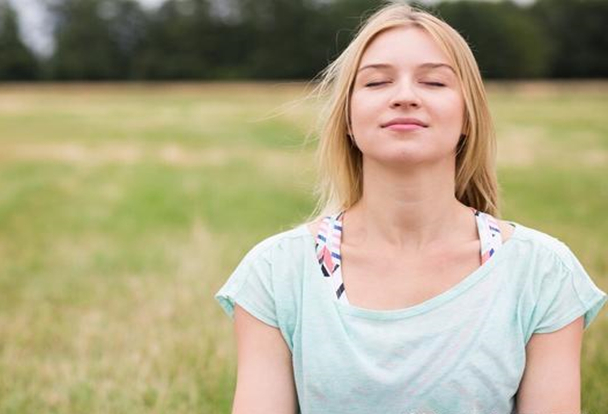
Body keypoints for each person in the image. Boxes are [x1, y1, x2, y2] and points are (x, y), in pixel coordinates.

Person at [214, 2, 608, 413]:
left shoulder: (543, 273)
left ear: (468, 115)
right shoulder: (276, 274)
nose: (404, 97)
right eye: (377, 83)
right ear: (348, 116)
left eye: (434, 83)